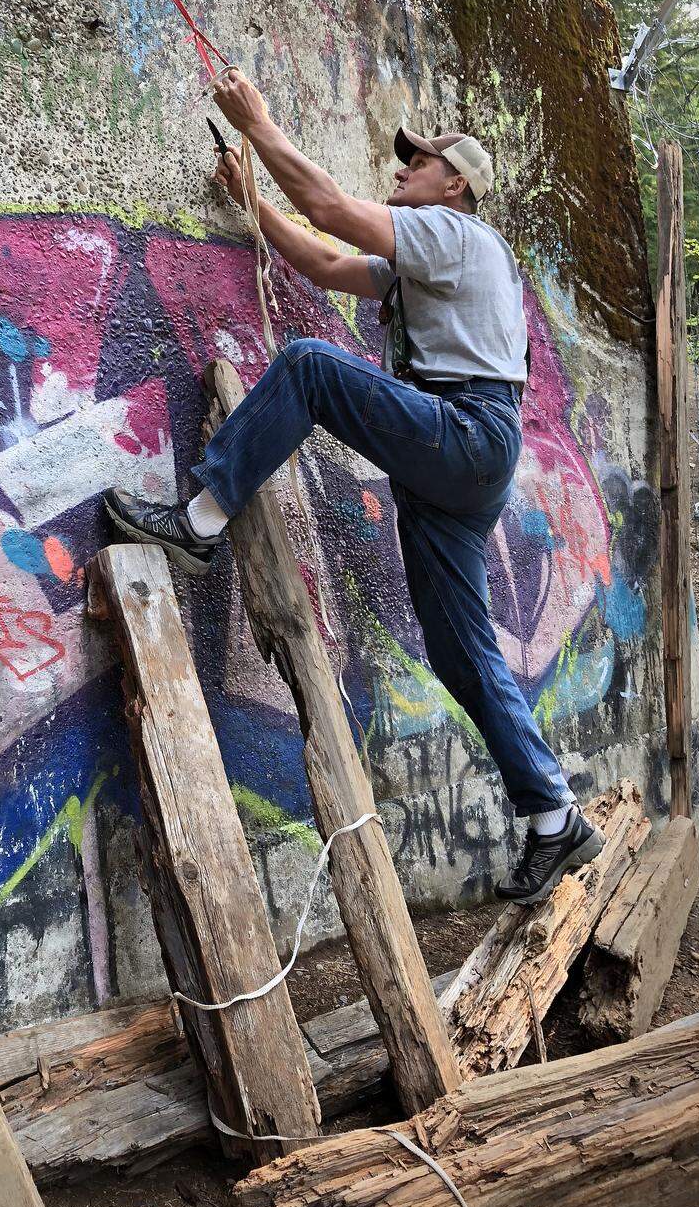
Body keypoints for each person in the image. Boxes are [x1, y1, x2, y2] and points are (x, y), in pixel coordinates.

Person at [102, 68, 604, 905]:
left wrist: (259, 121)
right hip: (462, 462)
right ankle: (554, 815)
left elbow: (333, 210)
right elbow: (331, 258)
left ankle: (199, 519)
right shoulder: (427, 261)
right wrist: (253, 204)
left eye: (419, 162)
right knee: (459, 649)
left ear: (458, 186)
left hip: (467, 432)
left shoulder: (454, 234)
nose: (401, 170)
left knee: (307, 366)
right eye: (403, 162)